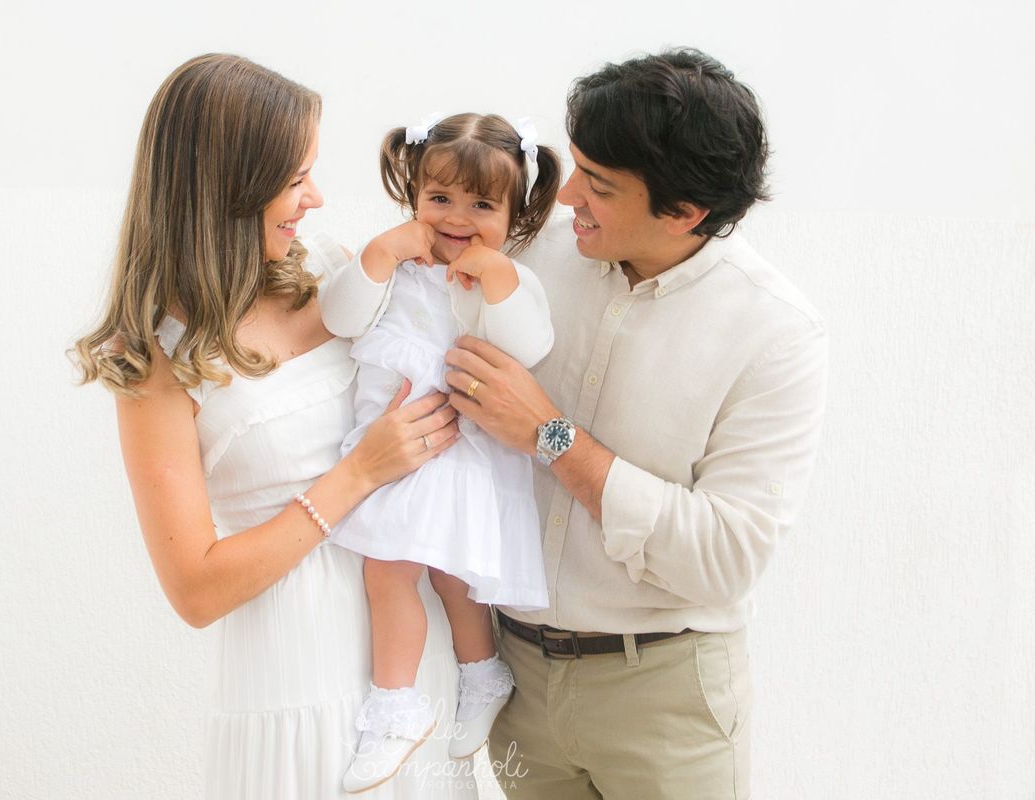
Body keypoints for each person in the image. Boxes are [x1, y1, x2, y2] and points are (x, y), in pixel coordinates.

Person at [72, 54, 475, 799]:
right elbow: (195, 591)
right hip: (292, 679)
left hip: (410, 665)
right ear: (227, 188)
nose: (315, 198)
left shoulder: (329, 267)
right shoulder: (152, 358)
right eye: (295, 179)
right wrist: (358, 474)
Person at [443, 48, 829, 799]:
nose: (567, 197)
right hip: (515, 680)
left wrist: (550, 436)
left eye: (600, 185)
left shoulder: (776, 333)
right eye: (578, 168)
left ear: (684, 213)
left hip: (665, 697)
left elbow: (724, 558)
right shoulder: (524, 259)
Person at [318, 113, 561, 792]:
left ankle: (466, 679)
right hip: (397, 453)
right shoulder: (397, 271)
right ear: (414, 195)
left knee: (451, 577)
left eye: (482, 206)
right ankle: (406, 703)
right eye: (440, 198)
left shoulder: (513, 281)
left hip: (462, 453)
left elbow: (528, 347)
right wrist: (380, 253)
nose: (456, 218)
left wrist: (496, 276)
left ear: (514, 216)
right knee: (389, 571)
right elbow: (340, 317)